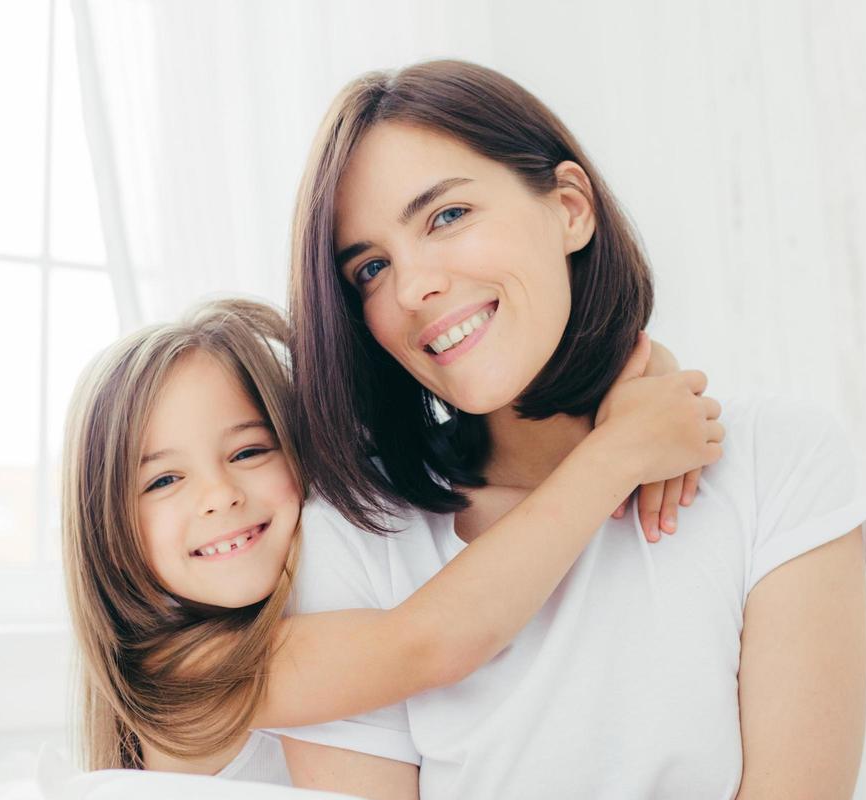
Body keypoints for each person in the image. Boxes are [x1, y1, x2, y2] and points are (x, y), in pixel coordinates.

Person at [270, 60, 866, 800]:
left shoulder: (776, 459)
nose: (413, 290)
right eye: (370, 268)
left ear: (569, 207)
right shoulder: (354, 535)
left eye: (447, 216)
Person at [60, 297, 719, 774]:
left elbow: (426, 441)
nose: (220, 496)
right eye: (162, 482)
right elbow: (429, 643)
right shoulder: (180, 674)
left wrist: (645, 371)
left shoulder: (318, 556)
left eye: (249, 452)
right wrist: (613, 457)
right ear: (103, 526)